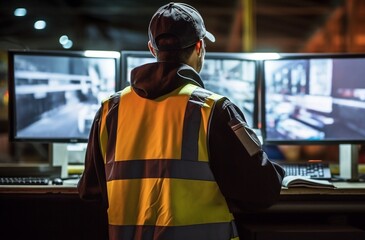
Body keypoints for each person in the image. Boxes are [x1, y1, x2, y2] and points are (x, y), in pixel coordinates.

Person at [77, 2, 285, 240]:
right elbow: (262, 191)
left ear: (152, 49)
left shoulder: (109, 110)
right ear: (200, 46)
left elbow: (89, 192)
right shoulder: (213, 110)